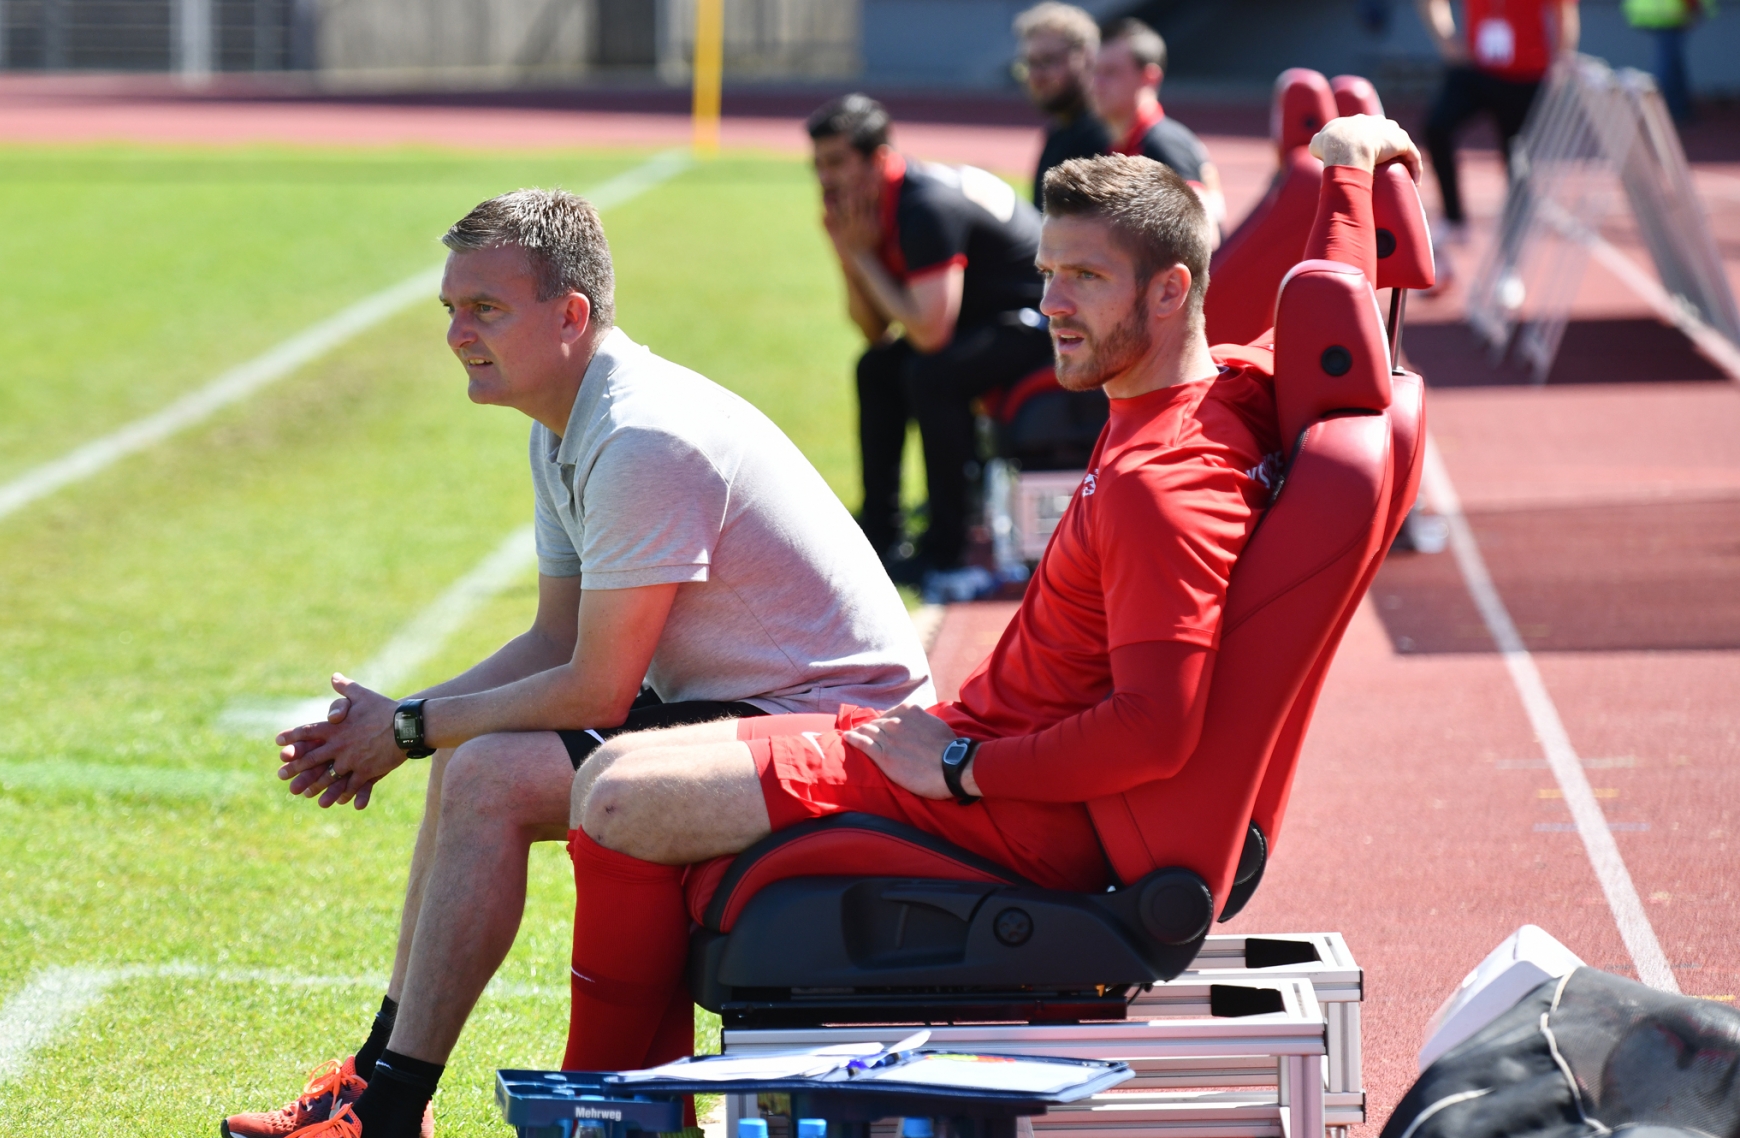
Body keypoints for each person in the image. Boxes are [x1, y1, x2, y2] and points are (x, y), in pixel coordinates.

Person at [553, 117, 1421, 1080]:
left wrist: (962, 765)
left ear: (1172, 290)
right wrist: (1345, 174)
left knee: (624, 800)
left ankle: (593, 1116)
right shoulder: (1236, 384)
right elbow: (1332, 313)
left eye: (1085, 278)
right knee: (611, 774)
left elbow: (1155, 729)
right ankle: (641, 1127)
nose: (1050, 303)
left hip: (1010, 805)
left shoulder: (1160, 483)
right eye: (1048, 272)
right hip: (986, 747)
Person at [203, 188, 933, 1138]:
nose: (457, 335)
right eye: (450, 310)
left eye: (485, 310)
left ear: (571, 315)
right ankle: (378, 1092)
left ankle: (377, 1133)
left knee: (488, 768)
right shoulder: (567, 423)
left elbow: (596, 683)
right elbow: (555, 640)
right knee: (474, 756)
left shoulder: (639, 434)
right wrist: (398, 714)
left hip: (834, 734)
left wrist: (406, 728)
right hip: (756, 709)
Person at [808, 94, 1052, 591]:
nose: (825, 179)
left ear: (878, 159)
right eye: (817, 165)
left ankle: (948, 545)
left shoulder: (925, 208)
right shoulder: (869, 205)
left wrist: (864, 258)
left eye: (836, 163)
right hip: (974, 321)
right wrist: (847, 255)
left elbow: (929, 332)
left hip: (1040, 323)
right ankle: (880, 533)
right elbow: (876, 331)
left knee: (930, 374)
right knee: (875, 368)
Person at [1417, 0, 1580, 269]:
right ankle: (1453, 219)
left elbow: (1565, 12)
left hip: (1525, 77)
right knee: (1437, 127)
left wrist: (1561, 65)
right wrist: (1446, 38)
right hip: (1477, 69)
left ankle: (1511, 264)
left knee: (1517, 165)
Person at [1088, 17, 1228, 243]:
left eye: (1111, 72)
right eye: (1095, 71)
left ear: (1148, 78)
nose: (1096, 83)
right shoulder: (1122, 143)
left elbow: (1206, 236)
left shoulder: (1163, 145)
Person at [1013, 2, 1112, 209]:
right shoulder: (1060, 130)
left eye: (1048, 61)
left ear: (1087, 57)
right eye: (1030, 63)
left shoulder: (1104, 136)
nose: (1036, 75)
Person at [1623, 0, 1714, 123]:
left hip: (1652, 9)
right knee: (1668, 64)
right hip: (1669, 12)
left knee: (1671, 61)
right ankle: (1666, 109)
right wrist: (1695, 8)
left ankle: (1675, 107)